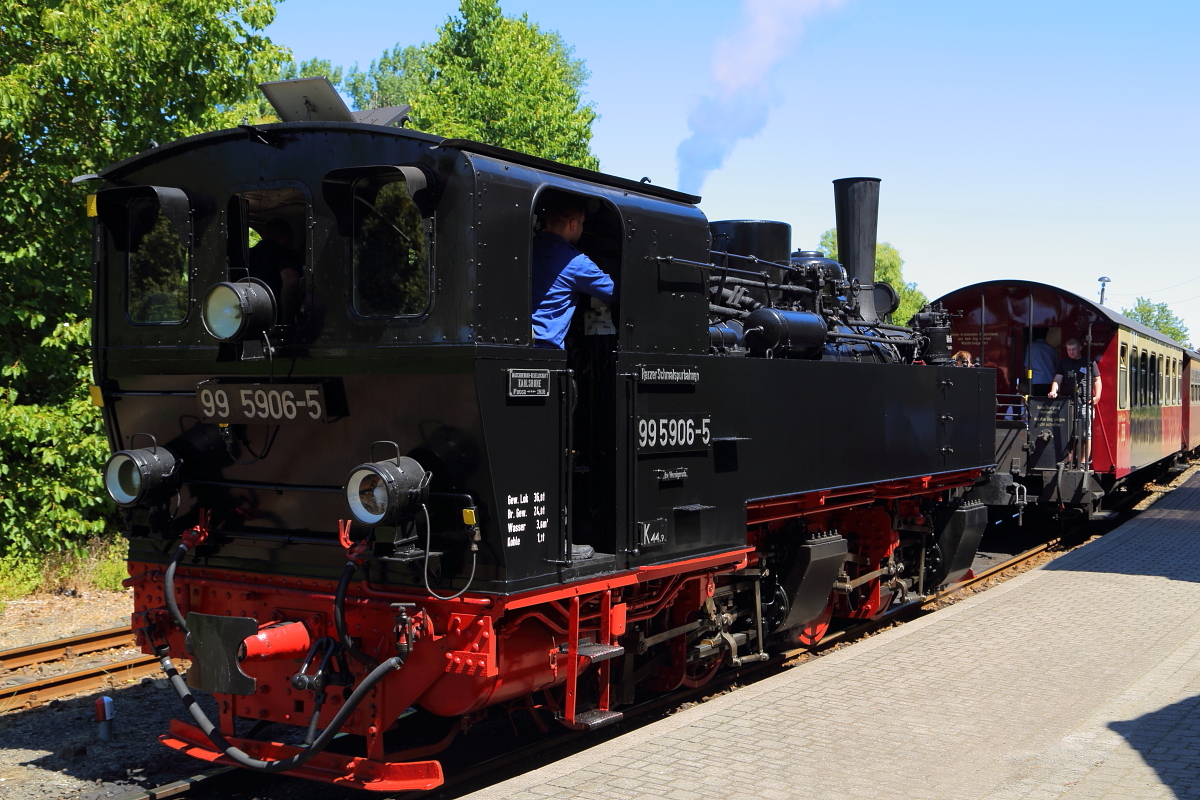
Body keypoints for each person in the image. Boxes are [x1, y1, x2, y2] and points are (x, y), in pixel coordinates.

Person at [531, 195, 614, 348]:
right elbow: (612, 291)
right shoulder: (574, 262)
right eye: (582, 223)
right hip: (545, 348)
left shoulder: (528, 248)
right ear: (573, 224)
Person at [1049, 338, 1101, 463]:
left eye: (1073, 349)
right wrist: (1054, 390)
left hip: (1084, 402)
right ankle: (1068, 460)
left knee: (1085, 434)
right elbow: (1058, 379)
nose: (1071, 352)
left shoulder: (1089, 362)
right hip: (1067, 403)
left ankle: (1083, 463)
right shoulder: (1064, 363)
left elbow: (1097, 379)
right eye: (1068, 350)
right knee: (1066, 433)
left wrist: (1097, 396)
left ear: (1080, 348)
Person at [249, 218, 303, 321]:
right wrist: (287, 321)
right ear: (286, 238)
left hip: (250, 320)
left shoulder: (247, 255)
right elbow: (291, 282)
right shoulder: (286, 254)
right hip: (276, 323)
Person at [1025, 328, 1057, 396]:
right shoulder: (1051, 348)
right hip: (1049, 382)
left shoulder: (1030, 347)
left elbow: (1026, 367)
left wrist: (1026, 381)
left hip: (1034, 381)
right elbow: (1057, 366)